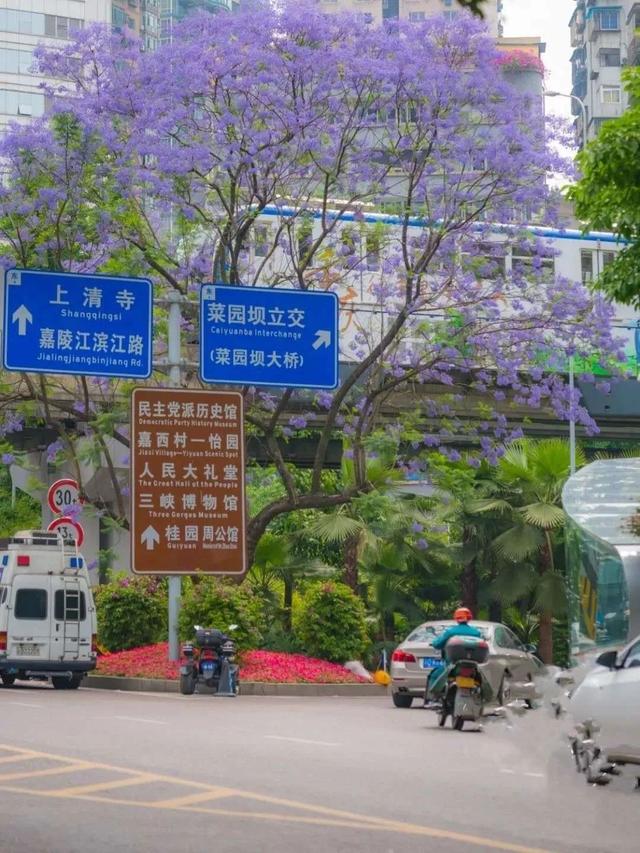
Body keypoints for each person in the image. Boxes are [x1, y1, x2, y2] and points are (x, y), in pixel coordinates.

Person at [423, 607, 482, 708]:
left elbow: (437, 644)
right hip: (472, 667)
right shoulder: (476, 633)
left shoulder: (450, 632)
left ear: (456, 618)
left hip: (452, 667)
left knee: (434, 675)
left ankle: (433, 699)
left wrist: (433, 643)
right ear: (469, 618)